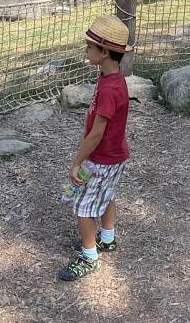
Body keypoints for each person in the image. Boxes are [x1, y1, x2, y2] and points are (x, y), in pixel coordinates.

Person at [58, 15, 131, 281]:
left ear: (105, 51)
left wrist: (77, 162)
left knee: (83, 208)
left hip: (101, 159)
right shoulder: (110, 78)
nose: (86, 50)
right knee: (105, 193)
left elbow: (97, 132)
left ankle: (89, 256)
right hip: (112, 156)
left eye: (90, 47)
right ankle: (107, 238)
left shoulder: (111, 88)